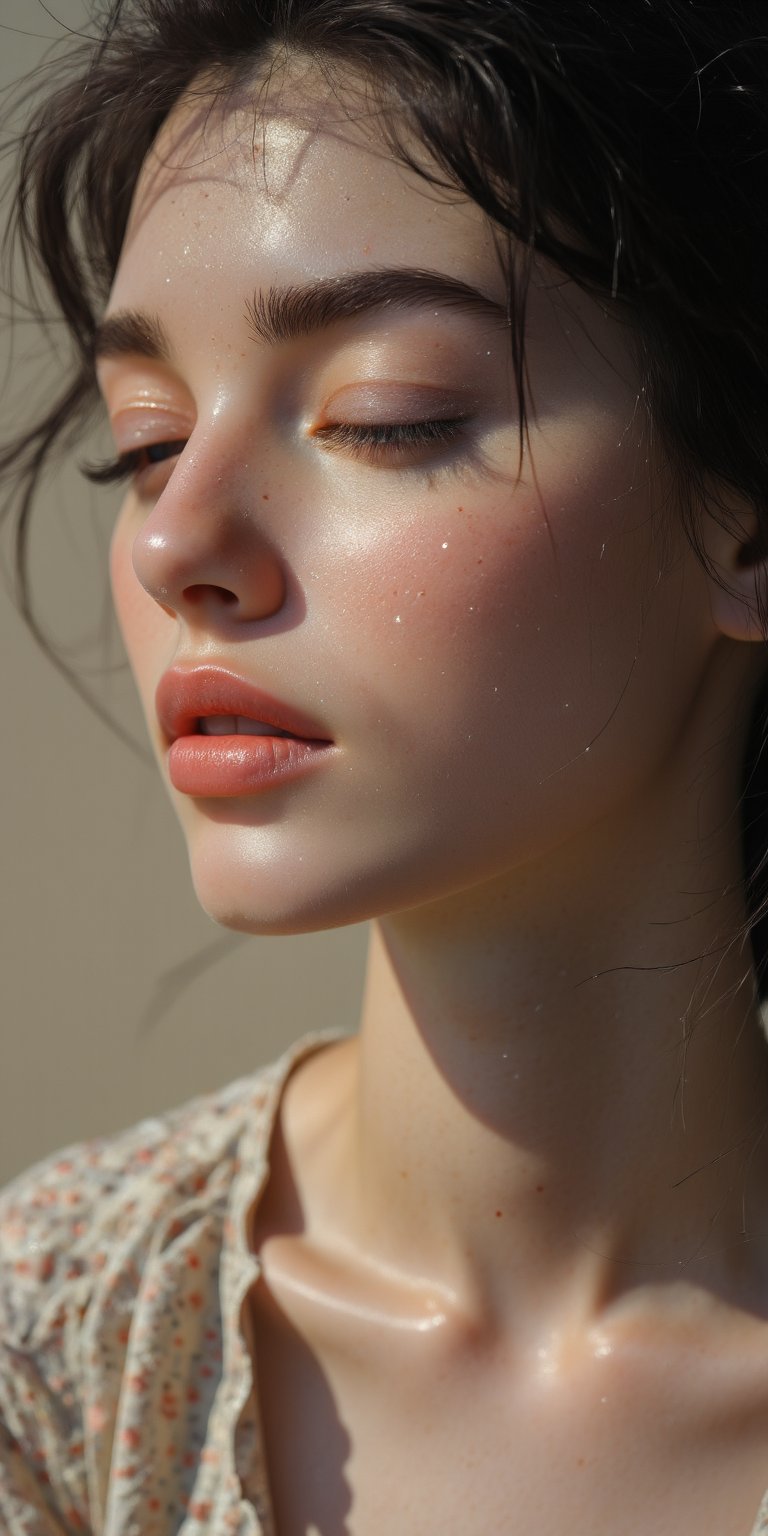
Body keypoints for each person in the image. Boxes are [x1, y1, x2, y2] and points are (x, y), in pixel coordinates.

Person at [1, 1, 767, 1531]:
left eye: (382, 417)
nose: (173, 542)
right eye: (148, 439)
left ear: (743, 522)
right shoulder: (54, 1359)